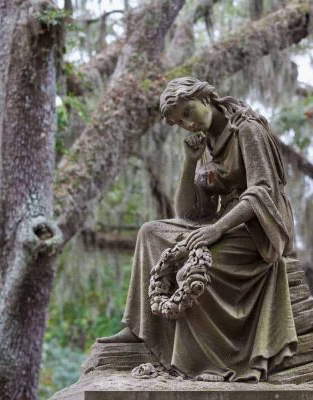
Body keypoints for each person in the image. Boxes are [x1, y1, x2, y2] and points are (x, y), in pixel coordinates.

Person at [97, 77, 297, 382]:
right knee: (151, 232)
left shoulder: (247, 129)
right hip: (223, 224)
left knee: (191, 269)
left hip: (257, 230)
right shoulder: (207, 143)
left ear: (206, 98)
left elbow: (263, 191)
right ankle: (139, 326)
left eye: (188, 112)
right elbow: (191, 213)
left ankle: (204, 360)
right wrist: (190, 163)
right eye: (179, 122)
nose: (187, 124)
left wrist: (217, 229)